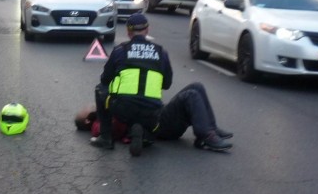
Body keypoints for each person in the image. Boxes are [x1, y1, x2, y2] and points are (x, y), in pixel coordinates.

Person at [90, 13, 173, 156]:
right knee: (146, 110)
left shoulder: (120, 51)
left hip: (124, 110)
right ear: (147, 30)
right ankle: (143, 132)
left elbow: (105, 80)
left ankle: (106, 138)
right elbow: (166, 84)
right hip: (152, 112)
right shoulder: (162, 53)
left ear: (128, 32)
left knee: (100, 89)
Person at [78, 82, 233, 153]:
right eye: (86, 109)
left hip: (157, 115)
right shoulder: (98, 124)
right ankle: (206, 135)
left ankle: (211, 127)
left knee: (196, 86)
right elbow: (115, 130)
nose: (89, 105)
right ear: (87, 119)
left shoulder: (105, 113)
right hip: (160, 125)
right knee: (190, 95)